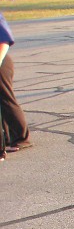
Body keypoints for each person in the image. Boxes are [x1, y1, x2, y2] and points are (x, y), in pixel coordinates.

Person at [0, 11, 32, 157]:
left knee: (6, 99)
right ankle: (7, 138)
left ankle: (21, 138)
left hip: (1, 63)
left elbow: (4, 41)